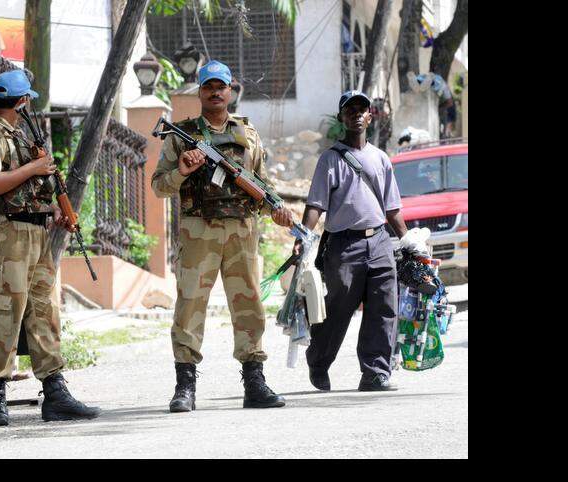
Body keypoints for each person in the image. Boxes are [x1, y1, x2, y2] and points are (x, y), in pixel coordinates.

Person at [150, 60, 291, 412]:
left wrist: (276, 206)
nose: (215, 92)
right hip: (199, 231)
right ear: (200, 91)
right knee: (189, 306)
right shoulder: (180, 135)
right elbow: (159, 186)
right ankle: (185, 386)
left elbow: (260, 181)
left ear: (231, 90)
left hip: (242, 230)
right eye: (208, 86)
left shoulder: (249, 134)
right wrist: (182, 171)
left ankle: (254, 380)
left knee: (249, 305)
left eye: (221, 86)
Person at [0, 70, 101, 426]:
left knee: (44, 310)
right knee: (5, 313)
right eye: (28, 100)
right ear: (21, 101)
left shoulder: (20, 136)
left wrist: (55, 210)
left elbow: (32, 191)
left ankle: (54, 390)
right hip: (7, 234)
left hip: (36, 232)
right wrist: (32, 168)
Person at [292, 90, 421, 392]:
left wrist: (409, 242)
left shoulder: (380, 158)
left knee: (383, 307)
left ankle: (375, 372)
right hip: (343, 245)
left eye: (362, 109)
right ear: (342, 118)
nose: (356, 114)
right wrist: (303, 238)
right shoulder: (330, 159)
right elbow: (316, 205)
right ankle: (319, 361)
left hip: (379, 241)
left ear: (370, 115)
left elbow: (392, 209)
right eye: (349, 110)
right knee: (339, 309)